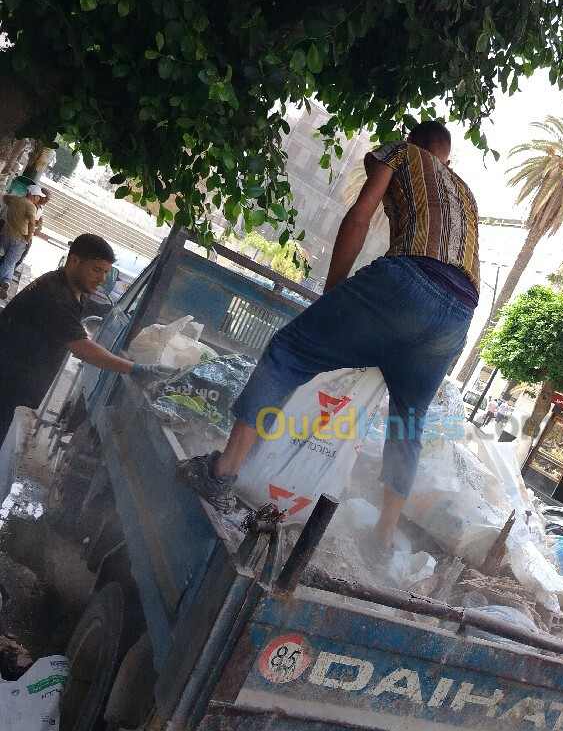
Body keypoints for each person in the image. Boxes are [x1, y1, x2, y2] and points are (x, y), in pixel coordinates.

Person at [179, 120, 480, 547]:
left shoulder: (399, 153)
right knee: (408, 421)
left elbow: (359, 218)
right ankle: (384, 534)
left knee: (287, 351)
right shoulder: (465, 192)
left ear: (415, 144)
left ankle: (222, 473)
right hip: (459, 313)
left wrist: (333, 293)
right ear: (447, 160)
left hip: (410, 280)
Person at [0, 233, 172, 448]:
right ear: (74, 261)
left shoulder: (66, 287)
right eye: (96, 269)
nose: (102, 278)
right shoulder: (56, 295)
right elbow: (82, 347)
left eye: (106, 272)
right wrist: (135, 368)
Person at [0, 184, 44, 299]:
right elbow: (31, 223)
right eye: (38, 196)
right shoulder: (31, 207)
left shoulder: (14, 199)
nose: (39, 199)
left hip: (6, 234)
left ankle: (6, 282)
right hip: (19, 238)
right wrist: (28, 238)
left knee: (10, 261)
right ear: (33, 196)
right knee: (9, 263)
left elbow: (5, 198)